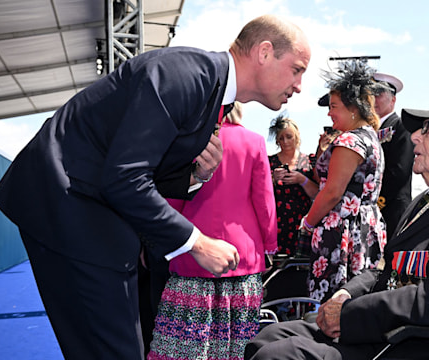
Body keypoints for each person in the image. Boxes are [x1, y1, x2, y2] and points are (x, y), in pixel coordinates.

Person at [0, 14, 311, 360]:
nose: (299, 86)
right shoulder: (186, 74)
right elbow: (124, 177)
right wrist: (196, 241)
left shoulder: (212, 92)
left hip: (94, 215)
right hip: (68, 205)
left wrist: (194, 177)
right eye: (297, 69)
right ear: (264, 53)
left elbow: (142, 169)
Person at [245, 97, 429, 360]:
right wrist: (346, 293)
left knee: (278, 355)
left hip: (423, 345)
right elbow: (386, 271)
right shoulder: (426, 202)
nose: (414, 137)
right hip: (392, 333)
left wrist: (350, 314)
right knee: (268, 338)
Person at [147, 102, 277, 360]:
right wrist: (270, 246)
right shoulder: (254, 141)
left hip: (192, 256)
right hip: (243, 259)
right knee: (237, 350)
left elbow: (172, 200)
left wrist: (155, 242)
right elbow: (265, 202)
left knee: (182, 350)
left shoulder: (189, 143)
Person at [301, 60, 386, 303]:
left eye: (333, 106)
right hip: (363, 227)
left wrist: (307, 224)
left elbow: (332, 192)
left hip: (342, 232)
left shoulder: (350, 141)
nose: (329, 113)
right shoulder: (370, 138)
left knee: (333, 301)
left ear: (353, 109)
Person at [268, 115, 319, 256]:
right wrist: (272, 178)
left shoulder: (310, 161)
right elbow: (257, 191)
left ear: (297, 136)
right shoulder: (269, 161)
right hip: (275, 222)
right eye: (281, 138)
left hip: (303, 222)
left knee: (301, 265)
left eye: (289, 136)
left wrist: (302, 179)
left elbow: (318, 193)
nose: (285, 141)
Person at [371, 72, 415, 236]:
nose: (373, 100)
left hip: (392, 208)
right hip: (373, 209)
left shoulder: (402, 125)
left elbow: (399, 171)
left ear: (393, 99)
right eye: (370, 95)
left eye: (379, 94)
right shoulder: (368, 130)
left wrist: (375, 199)